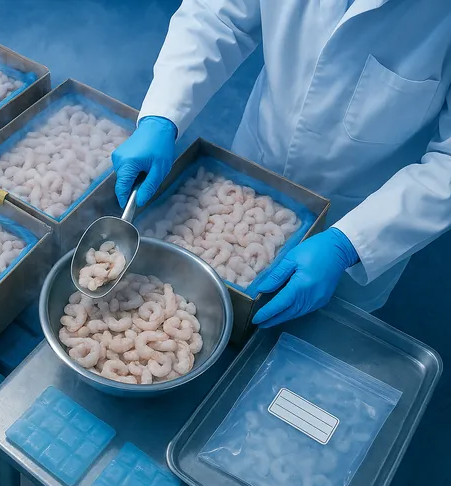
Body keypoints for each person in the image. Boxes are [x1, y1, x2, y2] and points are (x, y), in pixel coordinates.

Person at [113, 0, 451, 328]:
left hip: (362, 211)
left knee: (314, 341)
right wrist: (161, 116)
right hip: (251, 174)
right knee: (208, 310)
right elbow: (217, 16)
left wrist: (349, 244)